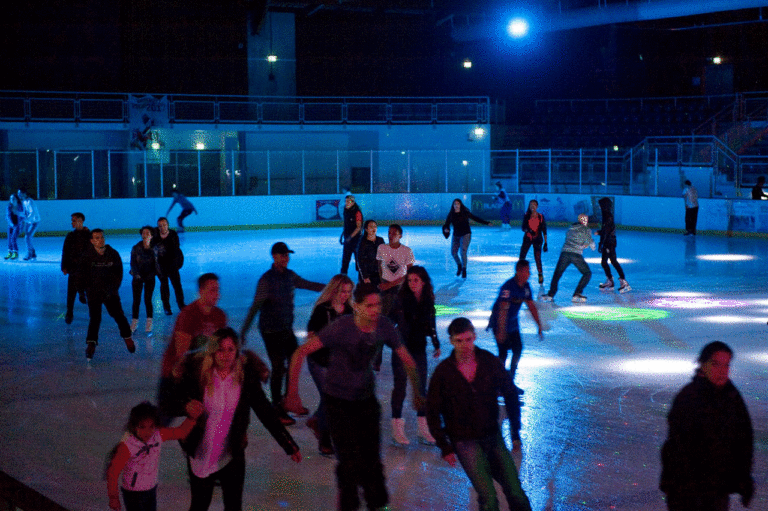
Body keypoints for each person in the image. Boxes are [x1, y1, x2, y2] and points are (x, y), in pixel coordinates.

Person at [284, 283, 422, 511]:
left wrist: (417, 392)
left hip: (365, 400)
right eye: (369, 306)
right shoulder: (341, 327)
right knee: (348, 463)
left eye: (378, 305)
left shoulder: (384, 326)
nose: (375, 310)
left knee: (372, 460)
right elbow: (301, 352)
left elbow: (407, 359)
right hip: (338, 402)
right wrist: (292, 393)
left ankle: (376, 504)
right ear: (356, 306)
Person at [176, 328, 302, 511]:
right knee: (199, 505)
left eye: (230, 349)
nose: (226, 355)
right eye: (220, 349)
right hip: (202, 452)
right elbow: (171, 400)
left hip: (232, 453)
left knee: (234, 506)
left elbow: (265, 411)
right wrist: (186, 405)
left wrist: (288, 444)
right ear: (212, 351)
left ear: (237, 351)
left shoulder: (245, 376)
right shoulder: (198, 374)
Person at [426, 317, 531, 511]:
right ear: (451, 341)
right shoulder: (444, 372)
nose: (465, 345)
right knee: (488, 497)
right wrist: (444, 445)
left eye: (468, 340)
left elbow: (510, 393)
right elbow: (432, 410)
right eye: (459, 341)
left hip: (492, 435)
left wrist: (515, 431)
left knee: (516, 491)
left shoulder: (489, 362)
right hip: (464, 440)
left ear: (474, 337)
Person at [660, 341, 754, 511]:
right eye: (716, 364)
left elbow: (743, 439)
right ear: (703, 364)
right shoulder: (688, 398)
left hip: (716, 491)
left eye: (726, 365)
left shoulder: (731, 397)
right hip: (687, 493)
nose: (723, 371)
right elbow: (678, 449)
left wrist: (744, 479)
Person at [240, 241, 324, 425]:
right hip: (270, 331)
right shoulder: (266, 280)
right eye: (283, 255)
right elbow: (255, 307)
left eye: (288, 255)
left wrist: (330, 287)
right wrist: (243, 331)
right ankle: (276, 408)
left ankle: (289, 401)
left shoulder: (290, 276)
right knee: (278, 367)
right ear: (274, 256)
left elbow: (307, 284)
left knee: (294, 364)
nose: (286, 258)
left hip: (286, 329)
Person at [106, 400, 203, 511]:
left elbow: (180, 432)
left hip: (151, 488)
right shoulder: (127, 446)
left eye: (151, 427)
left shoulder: (158, 435)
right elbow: (113, 472)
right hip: (133, 493)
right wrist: (113, 497)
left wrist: (192, 418)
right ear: (134, 426)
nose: (147, 432)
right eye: (142, 427)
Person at [158, 273, 228, 426]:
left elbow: (222, 349)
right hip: (175, 374)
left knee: (205, 420)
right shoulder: (188, 315)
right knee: (163, 420)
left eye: (217, 290)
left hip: (200, 376)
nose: (217, 294)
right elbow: (182, 353)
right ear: (201, 291)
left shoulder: (219, 316)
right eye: (212, 290)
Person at [389, 266, 440, 446]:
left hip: (419, 348)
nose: (412, 284)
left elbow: (432, 324)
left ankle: (423, 428)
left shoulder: (428, 301)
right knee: (401, 387)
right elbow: (389, 322)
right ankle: (397, 427)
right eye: (409, 280)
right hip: (402, 349)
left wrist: (436, 343)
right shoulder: (400, 300)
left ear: (423, 282)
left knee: (421, 388)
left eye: (415, 280)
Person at [305, 274, 354, 456]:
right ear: (334, 291)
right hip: (319, 361)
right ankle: (324, 439)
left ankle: (317, 419)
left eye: (348, 292)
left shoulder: (349, 311)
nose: (345, 295)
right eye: (342, 291)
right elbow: (311, 334)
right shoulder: (322, 310)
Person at [489, 259, 543, 391]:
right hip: (499, 323)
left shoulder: (526, 287)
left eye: (529, 271)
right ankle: (497, 384)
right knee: (503, 354)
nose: (529, 274)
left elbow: (531, 306)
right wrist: (501, 331)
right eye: (526, 271)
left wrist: (539, 325)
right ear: (518, 272)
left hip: (513, 324)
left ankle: (509, 383)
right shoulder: (507, 287)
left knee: (518, 350)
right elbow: (502, 310)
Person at [83, 229, 135, 360]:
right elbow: (82, 275)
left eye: (102, 237)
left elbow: (118, 274)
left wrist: (112, 290)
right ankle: (91, 344)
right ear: (92, 241)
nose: (100, 240)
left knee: (119, 315)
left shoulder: (113, 254)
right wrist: (82, 291)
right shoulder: (87, 256)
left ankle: (127, 337)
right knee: (95, 318)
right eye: (97, 238)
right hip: (93, 293)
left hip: (110, 293)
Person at [540, 213, 595, 304]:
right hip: (576, 254)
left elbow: (570, 239)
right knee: (587, 273)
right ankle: (577, 293)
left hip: (565, 253)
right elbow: (591, 243)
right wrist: (589, 246)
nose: (587, 221)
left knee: (557, 274)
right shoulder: (586, 229)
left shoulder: (571, 228)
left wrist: (582, 244)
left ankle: (550, 294)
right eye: (586, 219)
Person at [443, 198, 491, 279]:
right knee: (453, 253)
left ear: (460, 205)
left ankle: (464, 269)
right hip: (456, 235)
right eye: (455, 204)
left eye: (458, 204)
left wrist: (486, 223)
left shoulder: (465, 212)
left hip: (466, 234)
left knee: (463, 252)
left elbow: (475, 218)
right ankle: (459, 265)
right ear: (453, 206)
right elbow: (446, 224)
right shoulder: (451, 214)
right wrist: (446, 229)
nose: (456, 205)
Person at [376, 224, 415, 316]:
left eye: (394, 233)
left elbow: (410, 273)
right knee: (384, 314)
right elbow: (379, 265)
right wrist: (382, 282)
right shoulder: (381, 248)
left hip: (400, 287)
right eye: (389, 233)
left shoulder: (407, 251)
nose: (390, 235)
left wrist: (390, 284)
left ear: (400, 236)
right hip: (385, 285)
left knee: (400, 314)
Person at [595, 197, 631, 293]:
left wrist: (601, 239)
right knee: (606, 262)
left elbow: (606, 231)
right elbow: (606, 230)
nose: (599, 207)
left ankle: (623, 281)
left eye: (601, 205)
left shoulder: (607, 216)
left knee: (611, 261)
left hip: (609, 242)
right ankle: (611, 281)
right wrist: (601, 237)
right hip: (609, 241)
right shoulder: (606, 215)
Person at [61, 212, 91, 324]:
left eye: (74, 220)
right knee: (71, 291)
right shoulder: (70, 236)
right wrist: (64, 266)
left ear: (80, 221)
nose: (72, 223)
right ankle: (69, 312)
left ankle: (89, 307)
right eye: (72, 221)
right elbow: (65, 252)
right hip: (73, 268)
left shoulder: (89, 235)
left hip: (86, 269)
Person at [152, 217, 185, 316]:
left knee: (177, 285)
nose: (162, 227)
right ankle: (166, 307)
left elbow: (175, 250)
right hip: (160, 266)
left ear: (168, 225)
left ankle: (181, 305)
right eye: (160, 226)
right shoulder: (155, 236)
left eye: (164, 225)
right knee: (164, 286)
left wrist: (176, 264)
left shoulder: (173, 234)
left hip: (172, 264)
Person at [130, 226, 157, 334]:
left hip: (150, 277)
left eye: (147, 233)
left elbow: (157, 265)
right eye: (143, 233)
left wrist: (152, 275)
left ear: (151, 235)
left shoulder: (155, 249)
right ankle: (134, 323)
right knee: (136, 300)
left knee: (147, 300)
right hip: (138, 277)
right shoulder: (136, 248)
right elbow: (133, 263)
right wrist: (137, 275)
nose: (145, 235)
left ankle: (149, 323)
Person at [519, 199, 548, 285]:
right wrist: (529, 230)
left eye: (534, 204)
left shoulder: (540, 216)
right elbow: (523, 227)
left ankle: (540, 274)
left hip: (537, 239)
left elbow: (544, 230)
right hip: (527, 238)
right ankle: (520, 273)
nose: (532, 206)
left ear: (537, 206)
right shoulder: (526, 215)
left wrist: (546, 243)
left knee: (537, 258)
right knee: (522, 256)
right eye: (531, 204)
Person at [356, 219, 385, 288]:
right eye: (371, 227)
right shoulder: (362, 242)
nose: (373, 228)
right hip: (368, 274)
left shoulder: (380, 240)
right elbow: (360, 260)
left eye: (375, 226)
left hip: (379, 273)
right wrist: (365, 276)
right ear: (366, 229)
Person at [339, 194, 363, 275]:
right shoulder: (346, 211)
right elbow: (347, 224)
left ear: (353, 202)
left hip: (356, 241)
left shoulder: (357, 212)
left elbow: (358, 227)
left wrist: (350, 237)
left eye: (348, 201)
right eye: (346, 201)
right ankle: (343, 276)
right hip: (348, 240)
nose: (346, 203)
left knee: (358, 261)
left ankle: (362, 278)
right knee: (345, 260)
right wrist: (343, 235)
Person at [18, 188, 40, 261]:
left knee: (27, 237)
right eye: (18, 193)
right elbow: (26, 212)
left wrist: (25, 220)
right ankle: (32, 253)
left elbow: (32, 213)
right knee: (27, 238)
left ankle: (30, 254)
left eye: (20, 193)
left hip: (34, 222)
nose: (19, 195)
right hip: (29, 222)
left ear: (24, 194)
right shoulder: (24, 201)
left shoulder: (30, 202)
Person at [4, 194, 23, 260]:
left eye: (13, 198)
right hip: (11, 225)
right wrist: (11, 224)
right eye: (11, 198)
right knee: (9, 239)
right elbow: (7, 217)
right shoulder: (9, 207)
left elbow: (23, 216)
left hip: (17, 225)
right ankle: (10, 252)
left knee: (13, 239)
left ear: (17, 199)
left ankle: (15, 252)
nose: (12, 200)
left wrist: (20, 225)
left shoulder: (20, 206)